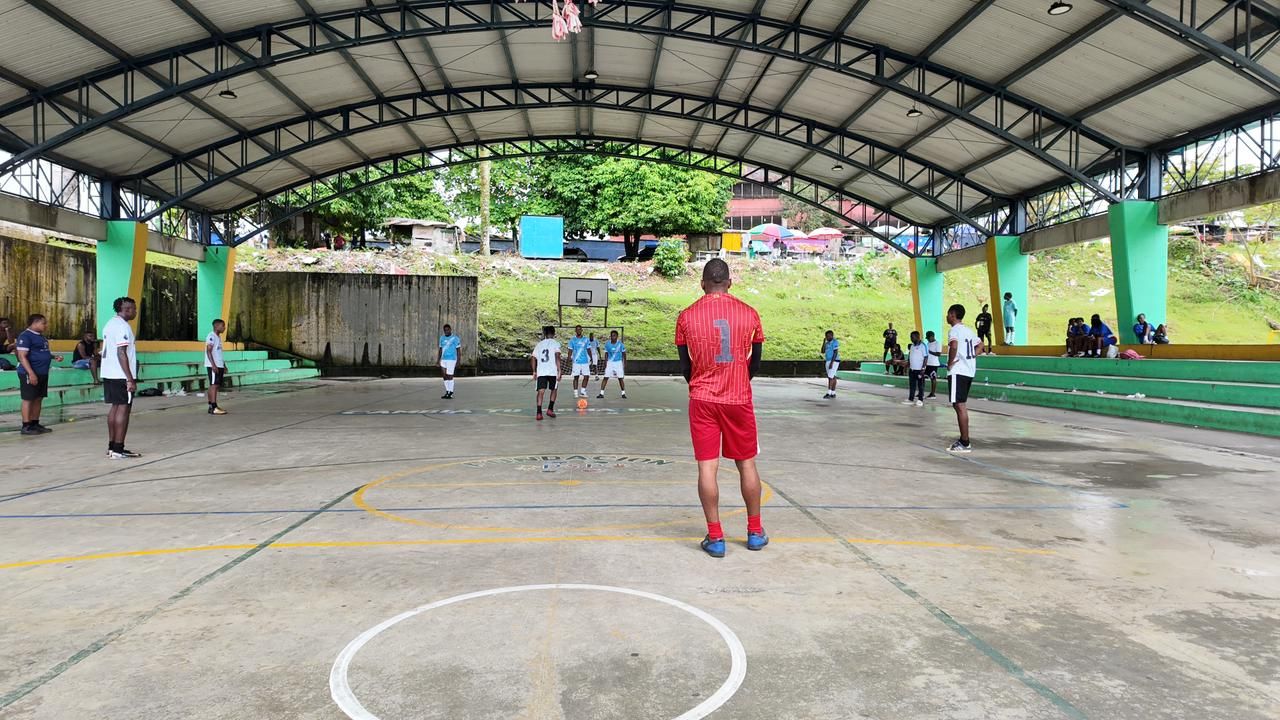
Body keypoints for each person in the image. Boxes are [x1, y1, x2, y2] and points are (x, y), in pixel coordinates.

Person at [675, 258, 767, 558]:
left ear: (702, 283)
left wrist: (701, 382)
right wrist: (739, 379)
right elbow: (755, 363)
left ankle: (715, 537)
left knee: (707, 467)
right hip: (738, 397)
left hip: (702, 400)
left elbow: (685, 367)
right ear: (729, 282)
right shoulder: (750, 314)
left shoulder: (686, 316)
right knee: (747, 464)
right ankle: (754, 532)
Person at [102, 297, 141, 459]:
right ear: (125, 310)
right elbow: (121, 352)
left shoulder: (110, 324)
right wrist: (130, 378)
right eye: (133, 308)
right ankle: (118, 449)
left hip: (109, 373)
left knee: (115, 408)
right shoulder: (122, 327)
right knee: (123, 410)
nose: (135, 311)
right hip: (121, 375)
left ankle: (112, 447)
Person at [16, 314, 62, 435]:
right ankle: (26, 425)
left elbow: (41, 352)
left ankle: (35, 423)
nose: (46, 325)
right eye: (44, 323)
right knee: (28, 399)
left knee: (38, 398)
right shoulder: (25, 336)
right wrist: (31, 373)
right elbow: (22, 356)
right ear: (35, 323)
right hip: (30, 372)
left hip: (42, 372)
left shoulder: (41, 337)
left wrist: (53, 357)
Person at [946, 303, 982, 453]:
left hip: (958, 370)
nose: (946, 317)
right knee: (959, 404)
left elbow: (953, 346)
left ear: (953, 314)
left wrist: (950, 362)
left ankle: (964, 442)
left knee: (959, 405)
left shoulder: (954, 330)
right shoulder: (968, 330)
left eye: (948, 314)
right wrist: (971, 356)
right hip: (968, 371)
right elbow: (981, 345)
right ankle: (964, 439)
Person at [531, 326, 562, 421]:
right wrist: (559, 370)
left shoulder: (539, 344)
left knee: (541, 392)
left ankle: (539, 413)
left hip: (542, 371)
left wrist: (534, 371)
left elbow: (533, 358)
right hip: (552, 371)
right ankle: (550, 409)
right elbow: (557, 357)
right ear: (554, 333)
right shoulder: (555, 343)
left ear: (545, 334)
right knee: (554, 389)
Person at [204, 319, 228, 415]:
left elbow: (218, 353)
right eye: (223, 326)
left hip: (219, 364)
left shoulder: (218, 337)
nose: (224, 328)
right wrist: (213, 365)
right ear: (216, 326)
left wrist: (224, 365)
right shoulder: (211, 336)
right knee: (214, 385)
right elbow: (208, 351)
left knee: (215, 385)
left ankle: (211, 406)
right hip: (213, 365)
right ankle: (214, 407)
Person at [596, 330, 627, 399]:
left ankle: (623, 393)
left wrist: (625, 362)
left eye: (614, 335)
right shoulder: (607, 344)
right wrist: (605, 362)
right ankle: (601, 393)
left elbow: (624, 354)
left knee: (620, 378)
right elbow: (606, 354)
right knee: (606, 377)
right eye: (612, 335)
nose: (613, 337)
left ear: (617, 336)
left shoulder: (620, 344)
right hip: (610, 362)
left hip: (618, 362)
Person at [903, 330, 927, 407]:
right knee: (912, 385)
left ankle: (920, 400)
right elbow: (910, 357)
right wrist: (907, 366)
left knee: (920, 385)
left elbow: (926, 357)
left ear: (917, 337)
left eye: (912, 337)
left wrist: (923, 368)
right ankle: (911, 399)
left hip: (919, 369)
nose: (911, 339)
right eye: (911, 337)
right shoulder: (912, 346)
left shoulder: (923, 346)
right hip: (912, 369)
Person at [568, 325, 592, 398]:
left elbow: (588, 349)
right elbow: (570, 350)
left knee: (587, 376)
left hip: (585, 361)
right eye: (577, 329)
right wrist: (569, 358)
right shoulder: (572, 340)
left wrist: (591, 357)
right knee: (576, 377)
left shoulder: (586, 339)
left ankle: (582, 391)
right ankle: (575, 392)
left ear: (582, 330)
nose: (578, 330)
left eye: (580, 329)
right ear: (575, 331)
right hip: (576, 362)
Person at [438, 323, 461, 399]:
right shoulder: (441, 338)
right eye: (445, 330)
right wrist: (438, 359)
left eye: (447, 330)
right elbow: (440, 349)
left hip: (451, 360)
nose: (446, 331)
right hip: (443, 359)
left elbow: (458, 350)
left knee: (450, 376)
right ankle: (447, 391)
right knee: (444, 376)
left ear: (450, 329)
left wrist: (458, 361)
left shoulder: (455, 338)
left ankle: (451, 392)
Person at [821, 330, 840, 399]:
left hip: (834, 360)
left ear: (832, 335)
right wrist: (823, 342)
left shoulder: (835, 342)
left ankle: (829, 392)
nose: (827, 337)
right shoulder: (827, 343)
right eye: (826, 336)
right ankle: (833, 393)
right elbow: (822, 351)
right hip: (828, 360)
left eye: (828, 336)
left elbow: (835, 353)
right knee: (833, 376)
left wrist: (832, 363)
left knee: (830, 377)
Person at [924, 330, 942, 398]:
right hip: (927, 363)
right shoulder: (928, 343)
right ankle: (921, 391)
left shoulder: (937, 343)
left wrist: (930, 352)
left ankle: (933, 393)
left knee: (933, 378)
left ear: (932, 336)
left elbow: (938, 354)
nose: (928, 339)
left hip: (933, 364)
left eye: (929, 338)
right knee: (922, 377)